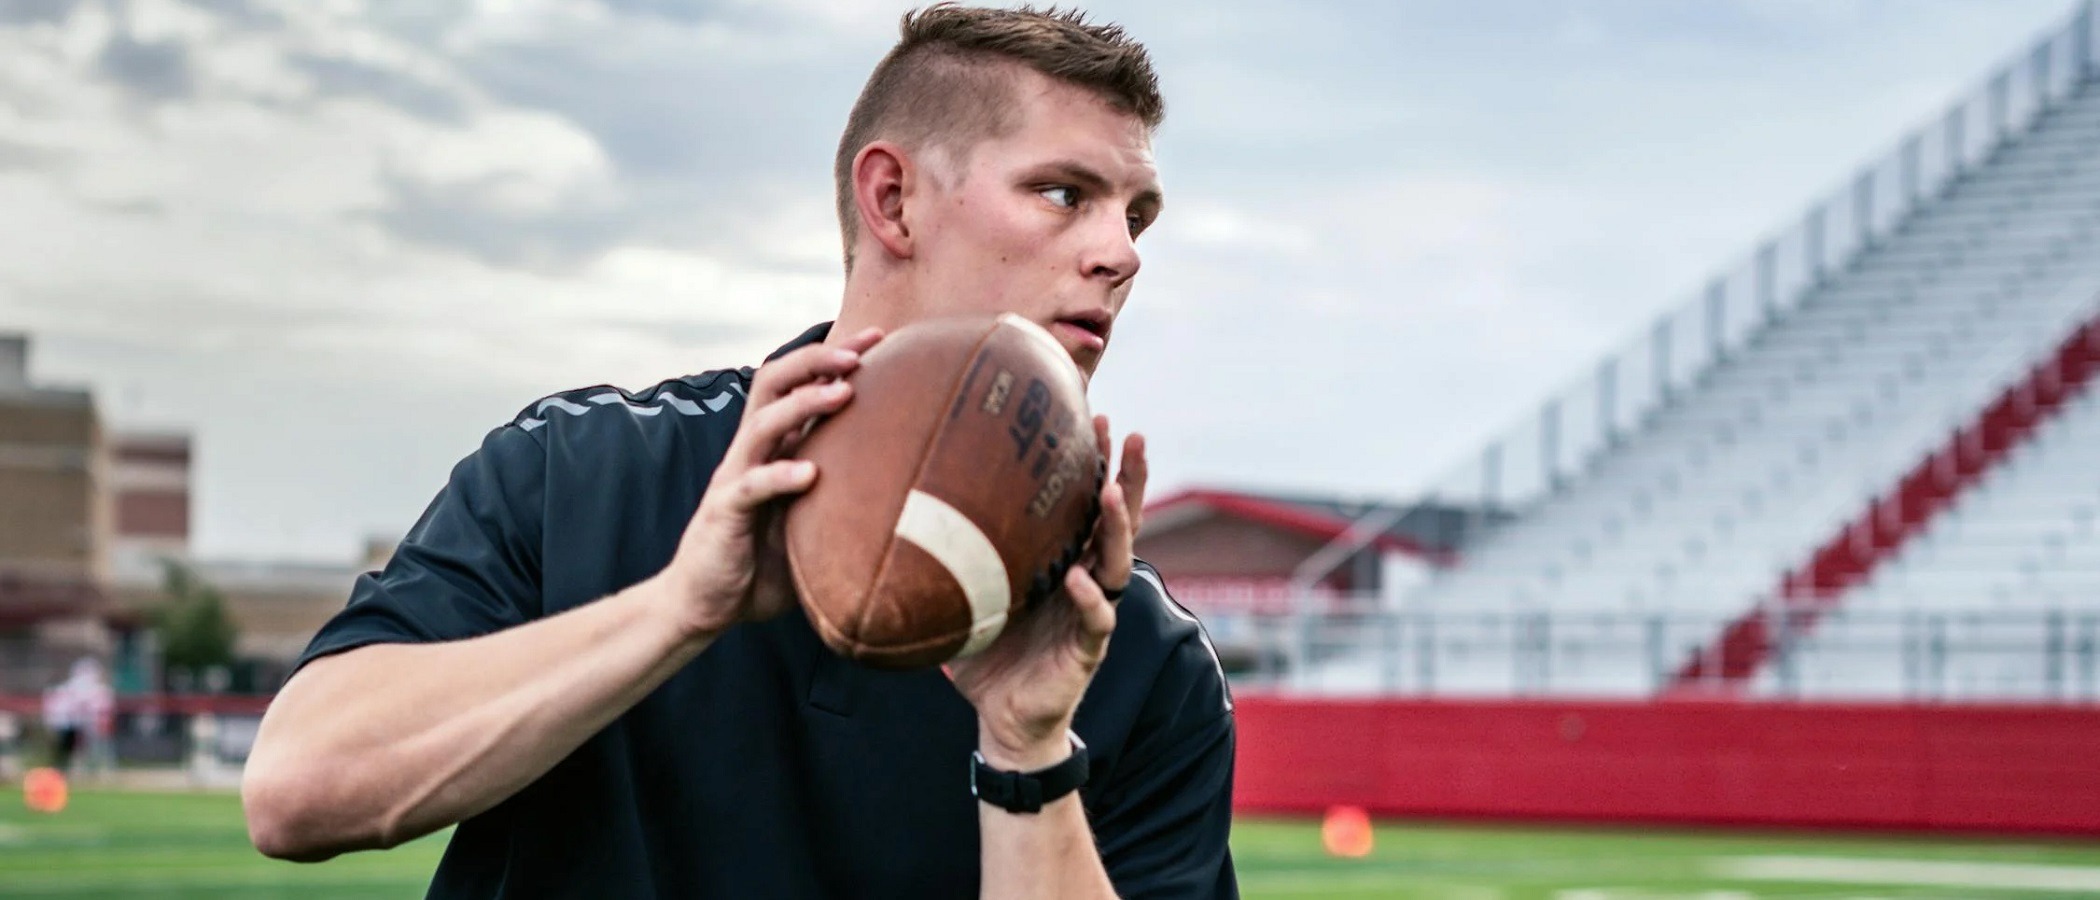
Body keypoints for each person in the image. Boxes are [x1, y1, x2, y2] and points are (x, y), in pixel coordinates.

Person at [242, 5, 1235, 898]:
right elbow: (295, 794)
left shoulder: (1138, 655)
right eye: (1066, 193)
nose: (1122, 252)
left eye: (1136, 213)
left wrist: (1028, 751)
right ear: (891, 201)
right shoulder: (589, 473)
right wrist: (677, 610)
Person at [42, 657, 113, 777]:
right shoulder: (69, 688)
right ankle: (66, 772)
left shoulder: (95, 689)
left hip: (87, 726)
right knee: (69, 751)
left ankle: (92, 772)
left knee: (92, 751)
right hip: (71, 725)